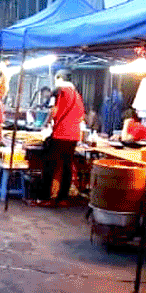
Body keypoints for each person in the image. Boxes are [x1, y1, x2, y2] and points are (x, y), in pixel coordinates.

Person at [35, 69, 84, 207]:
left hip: (60, 133)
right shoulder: (77, 95)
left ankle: (45, 197)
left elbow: (53, 110)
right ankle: (63, 198)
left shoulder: (59, 91)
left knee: (50, 165)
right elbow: (81, 116)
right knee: (67, 166)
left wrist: (45, 125)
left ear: (59, 78)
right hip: (74, 135)